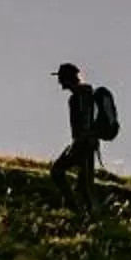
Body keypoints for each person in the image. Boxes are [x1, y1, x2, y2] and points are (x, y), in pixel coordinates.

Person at [50, 63, 101, 210]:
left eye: (60, 77)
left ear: (67, 78)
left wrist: (80, 141)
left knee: (57, 171)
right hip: (87, 142)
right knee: (85, 184)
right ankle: (88, 213)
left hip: (83, 143)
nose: (59, 81)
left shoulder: (80, 95)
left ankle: (75, 208)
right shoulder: (84, 94)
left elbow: (85, 119)